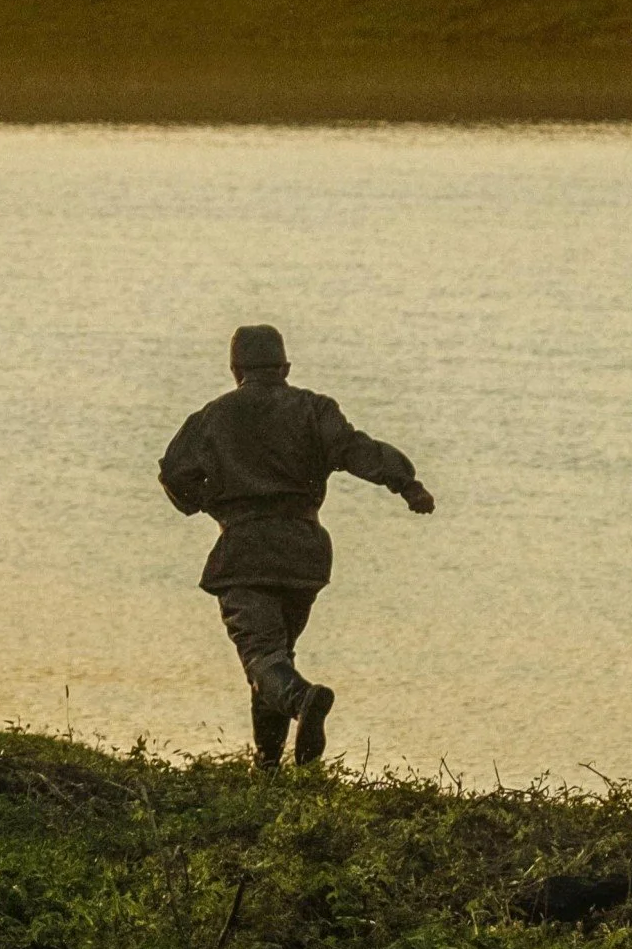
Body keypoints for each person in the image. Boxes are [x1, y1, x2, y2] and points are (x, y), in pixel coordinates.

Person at [157, 323, 434, 767]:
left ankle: (304, 700)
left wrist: (214, 506)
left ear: (234, 370)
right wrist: (407, 484)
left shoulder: (213, 416)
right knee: (276, 654)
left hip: (246, 550)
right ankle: (268, 765)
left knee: (262, 656)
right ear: (285, 367)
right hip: (304, 551)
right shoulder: (314, 409)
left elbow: (174, 474)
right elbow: (357, 450)